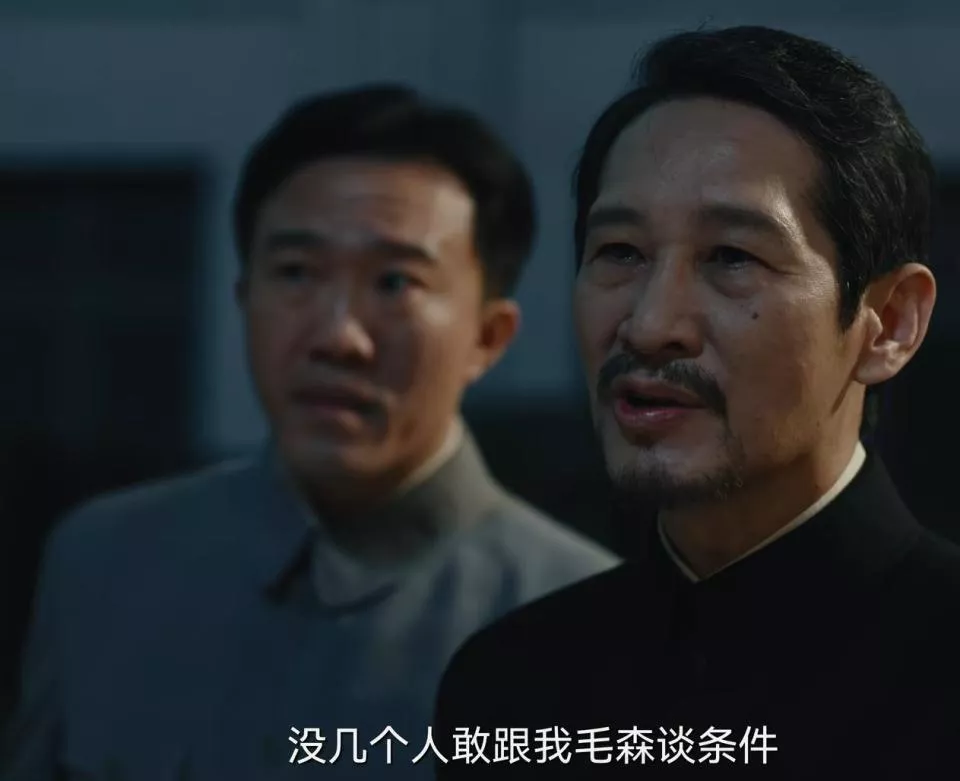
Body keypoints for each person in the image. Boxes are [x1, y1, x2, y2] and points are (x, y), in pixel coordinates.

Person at [1, 85, 617, 781]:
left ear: (487, 336)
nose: (337, 336)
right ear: (244, 299)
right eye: (295, 272)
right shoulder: (102, 562)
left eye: (394, 282)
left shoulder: (592, 627)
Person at [433, 26, 960, 779]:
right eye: (620, 252)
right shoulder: (508, 685)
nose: (650, 325)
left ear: (891, 322)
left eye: (731, 258)